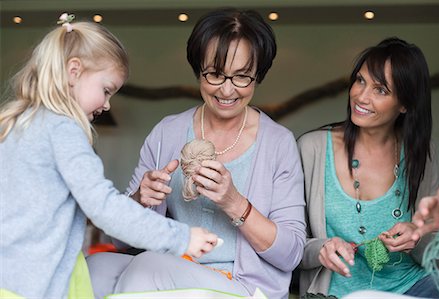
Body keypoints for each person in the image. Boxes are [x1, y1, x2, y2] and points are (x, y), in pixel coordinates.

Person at [87, 8, 306, 299]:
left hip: (243, 285)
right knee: (96, 267)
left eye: (241, 77)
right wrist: (140, 199)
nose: (227, 90)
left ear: (258, 75)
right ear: (198, 69)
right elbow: (118, 238)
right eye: (215, 74)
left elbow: (291, 254)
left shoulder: (279, 143)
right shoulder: (168, 132)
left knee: (147, 268)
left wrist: (234, 203)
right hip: (175, 265)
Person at [0, 15, 217, 299]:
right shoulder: (63, 129)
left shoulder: (18, 124)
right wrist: (181, 238)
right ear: (73, 72)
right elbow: (105, 208)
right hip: (32, 284)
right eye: (105, 90)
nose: (107, 104)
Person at [297, 37, 439, 298]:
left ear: (405, 104)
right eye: (360, 80)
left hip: (414, 287)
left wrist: (417, 236)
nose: (361, 96)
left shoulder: (419, 153)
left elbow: (437, 250)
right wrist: (321, 248)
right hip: (338, 293)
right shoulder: (312, 149)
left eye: (381, 90)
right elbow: (286, 242)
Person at [343, 183, 439, 299]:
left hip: (415, 282)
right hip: (344, 291)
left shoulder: (419, 167)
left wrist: (417, 235)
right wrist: (323, 245)